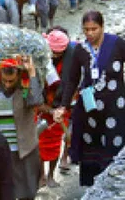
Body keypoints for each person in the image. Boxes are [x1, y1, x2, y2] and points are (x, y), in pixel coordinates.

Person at [52, 11, 125, 186]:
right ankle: (92, 188)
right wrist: (63, 106)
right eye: (86, 29)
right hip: (90, 109)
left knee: (113, 144)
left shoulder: (117, 45)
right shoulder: (80, 50)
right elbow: (72, 80)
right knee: (91, 146)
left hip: (115, 107)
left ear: (102, 27)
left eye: (94, 29)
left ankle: (113, 185)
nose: (90, 33)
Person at [0, 56, 44, 200]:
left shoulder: (26, 86)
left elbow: (36, 101)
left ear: (18, 75)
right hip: (0, 148)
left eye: (11, 81)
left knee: (28, 190)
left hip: (25, 147)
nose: (7, 84)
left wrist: (31, 73)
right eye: (4, 80)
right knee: (3, 190)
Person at [37, 28, 91, 188]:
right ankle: (41, 175)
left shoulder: (75, 56)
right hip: (43, 105)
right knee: (39, 143)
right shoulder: (39, 57)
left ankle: (51, 174)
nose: (54, 56)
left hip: (64, 105)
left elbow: (77, 81)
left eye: (57, 53)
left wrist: (62, 106)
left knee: (56, 143)